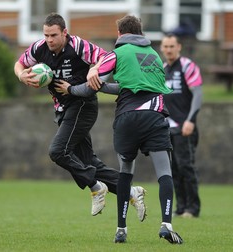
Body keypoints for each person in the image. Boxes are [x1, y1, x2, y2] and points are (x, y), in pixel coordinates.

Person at [56, 15, 183, 244]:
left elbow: (90, 88)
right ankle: (166, 224)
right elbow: (136, 86)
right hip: (155, 115)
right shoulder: (154, 55)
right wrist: (104, 86)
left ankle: (121, 230)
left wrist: (71, 89)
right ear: (140, 33)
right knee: (164, 172)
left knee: (126, 172)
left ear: (119, 34)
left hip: (127, 119)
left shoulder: (117, 54)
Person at [13, 13, 146, 221]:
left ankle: (95, 187)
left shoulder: (78, 46)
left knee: (57, 152)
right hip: (63, 109)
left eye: (54, 35)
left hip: (82, 105)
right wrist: (21, 74)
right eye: (46, 35)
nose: (49, 40)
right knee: (88, 161)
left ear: (64, 33)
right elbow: (19, 63)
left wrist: (94, 69)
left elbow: (106, 57)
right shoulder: (38, 48)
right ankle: (130, 191)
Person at [160, 32, 202, 218]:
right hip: (167, 127)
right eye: (165, 46)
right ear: (161, 48)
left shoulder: (187, 66)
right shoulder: (161, 69)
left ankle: (193, 209)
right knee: (172, 170)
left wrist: (190, 120)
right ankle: (180, 207)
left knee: (186, 167)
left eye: (172, 46)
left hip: (185, 127)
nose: (168, 50)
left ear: (179, 47)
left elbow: (198, 95)